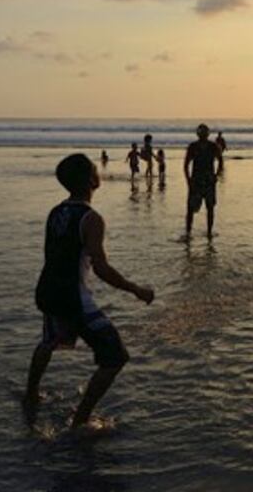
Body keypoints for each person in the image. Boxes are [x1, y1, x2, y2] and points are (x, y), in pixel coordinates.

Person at [23, 154, 154, 429]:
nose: (99, 172)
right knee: (115, 357)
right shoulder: (91, 218)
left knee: (48, 340)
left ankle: (31, 394)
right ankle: (80, 420)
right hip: (73, 297)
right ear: (91, 180)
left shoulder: (56, 211)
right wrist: (136, 290)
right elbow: (101, 267)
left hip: (48, 291)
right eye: (96, 170)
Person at [183, 124, 224, 240]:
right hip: (196, 180)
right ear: (198, 134)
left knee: (210, 207)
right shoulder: (193, 146)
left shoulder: (213, 146)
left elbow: (220, 161)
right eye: (201, 133)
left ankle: (209, 232)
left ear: (207, 134)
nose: (202, 135)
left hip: (208, 180)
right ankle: (188, 232)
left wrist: (216, 176)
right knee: (191, 208)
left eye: (204, 133)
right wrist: (188, 180)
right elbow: (186, 164)